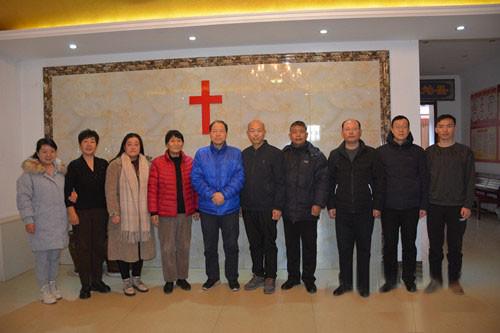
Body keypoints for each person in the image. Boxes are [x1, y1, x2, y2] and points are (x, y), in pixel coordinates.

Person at [327, 119, 383, 298]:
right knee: (344, 249)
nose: (351, 132)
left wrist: (377, 205)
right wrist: (331, 205)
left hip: (365, 209)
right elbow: (329, 183)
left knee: (364, 249)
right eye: (347, 129)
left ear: (360, 131)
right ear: (342, 132)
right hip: (342, 209)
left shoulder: (371, 154)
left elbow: (378, 181)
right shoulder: (335, 155)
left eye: (354, 129)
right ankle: (345, 283)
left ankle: (363, 285)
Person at [191, 120, 245, 291]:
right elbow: (196, 178)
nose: (218, 134)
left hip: (230, 207)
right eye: (214, 131)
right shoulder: (201, 154)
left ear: (226, 134)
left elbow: (240, 177)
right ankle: (212, 277)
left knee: (231, 246)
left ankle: (232, 278)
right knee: (210, 247)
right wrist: (211, 194)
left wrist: (224, 194)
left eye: (221, 131)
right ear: (210, 133)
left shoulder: (236, 153)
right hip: (208, 208)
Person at [424, 114, 475, 295]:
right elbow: (424, 181)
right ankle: (435, 280)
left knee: (455, 246)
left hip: (457, 206)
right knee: (435, 246)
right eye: (441, 126)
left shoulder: (464, 152)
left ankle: (454, 280)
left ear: (454, 128)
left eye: (449, 126)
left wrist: (468, 204)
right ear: (436, 129)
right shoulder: (428, 153)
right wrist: (424, 205)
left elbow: (470, 180)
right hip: (434, 205)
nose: (445, 130)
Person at [377, 116, 427, 293]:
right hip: (389, 207)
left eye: (404, 126)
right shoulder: (381, 152)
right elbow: (378, 182)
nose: (401, 130)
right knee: (389, 244)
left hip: (411, 206)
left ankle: (409, 279)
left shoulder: (418, 152)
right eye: (397, 126)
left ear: (409, 129)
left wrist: (423, 205)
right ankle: (390, 280)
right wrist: (377, 205)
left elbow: (424, 180)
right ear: (391, 129)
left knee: (409, 244)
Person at [16, 138, 69, 304]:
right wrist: (28, 220)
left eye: (52, 151)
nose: (48, 155)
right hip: (40, 224)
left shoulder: (60, 173)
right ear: (37, 153)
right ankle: (44, 288)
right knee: (42, 258)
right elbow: (23, 199)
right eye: (44, 151)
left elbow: (66, 194)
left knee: (54, 257)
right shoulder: (29, 175)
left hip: (58, 222)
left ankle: (53, 284)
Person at [148, 130, 199, 294]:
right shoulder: (157, 163)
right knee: (167, 248)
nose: (175, 144)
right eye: (172, 141)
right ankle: (169, 279)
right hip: (165, 214)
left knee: (183, 246)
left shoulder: (190, 162)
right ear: (167, 144)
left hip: (186, 213)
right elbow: (152, 189)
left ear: (182, 143)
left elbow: (196, 187)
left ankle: (182, 277)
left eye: (178, 140)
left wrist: (197, 208)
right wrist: (153, 211)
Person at [105, 133, 155, 296]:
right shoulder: (116, 165)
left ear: (140, 147)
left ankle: (137, 279)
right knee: (123, 248)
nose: (133, 147)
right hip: (122, 215)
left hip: (143, 214)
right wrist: (114, 212)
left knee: (140, 246)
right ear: (124, 146)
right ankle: (126, 281)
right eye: (129, 144)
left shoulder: (147, 164)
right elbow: (110, 191)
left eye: (136, 144)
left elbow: (152, 189)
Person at [281, 120, 328, 294]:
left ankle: (309, 278)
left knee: (309, 246)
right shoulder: (284, 155)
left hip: (309, 210)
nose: (298, 135)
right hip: (289, 210)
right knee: (291, 246)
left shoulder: (316, 155)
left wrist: (318, 204)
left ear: (306, 135)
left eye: (301, 132)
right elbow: (279, 183)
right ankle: (293, 277)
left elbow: (323, 182)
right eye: (294, 132)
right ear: (290, 135)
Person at [65, 129, 111, 299]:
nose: (89, 144)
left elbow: (109, 188)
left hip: (101, 212)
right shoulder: (74, 165)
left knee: (98, 247)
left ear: (96, 144)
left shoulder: (103, 164)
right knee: (83, 248)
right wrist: (71, 211)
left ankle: (97, 281)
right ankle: (85, 285)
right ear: (80, 144)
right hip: (81, 213)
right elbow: (68, 191)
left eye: (92, 141)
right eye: (85, 141)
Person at [241, 120, 285, 294]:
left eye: (259, 130)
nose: (255, 134)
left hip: (268, 208)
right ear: (248, 133)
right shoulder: (244, 154)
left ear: (265, 132)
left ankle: (270, 276)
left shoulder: (275, 153)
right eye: (252, 130)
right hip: (248, 207)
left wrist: (278, 206)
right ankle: (258, 273)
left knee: (269, 243)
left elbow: (281, 183)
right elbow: (240, 181)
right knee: (254, 243)